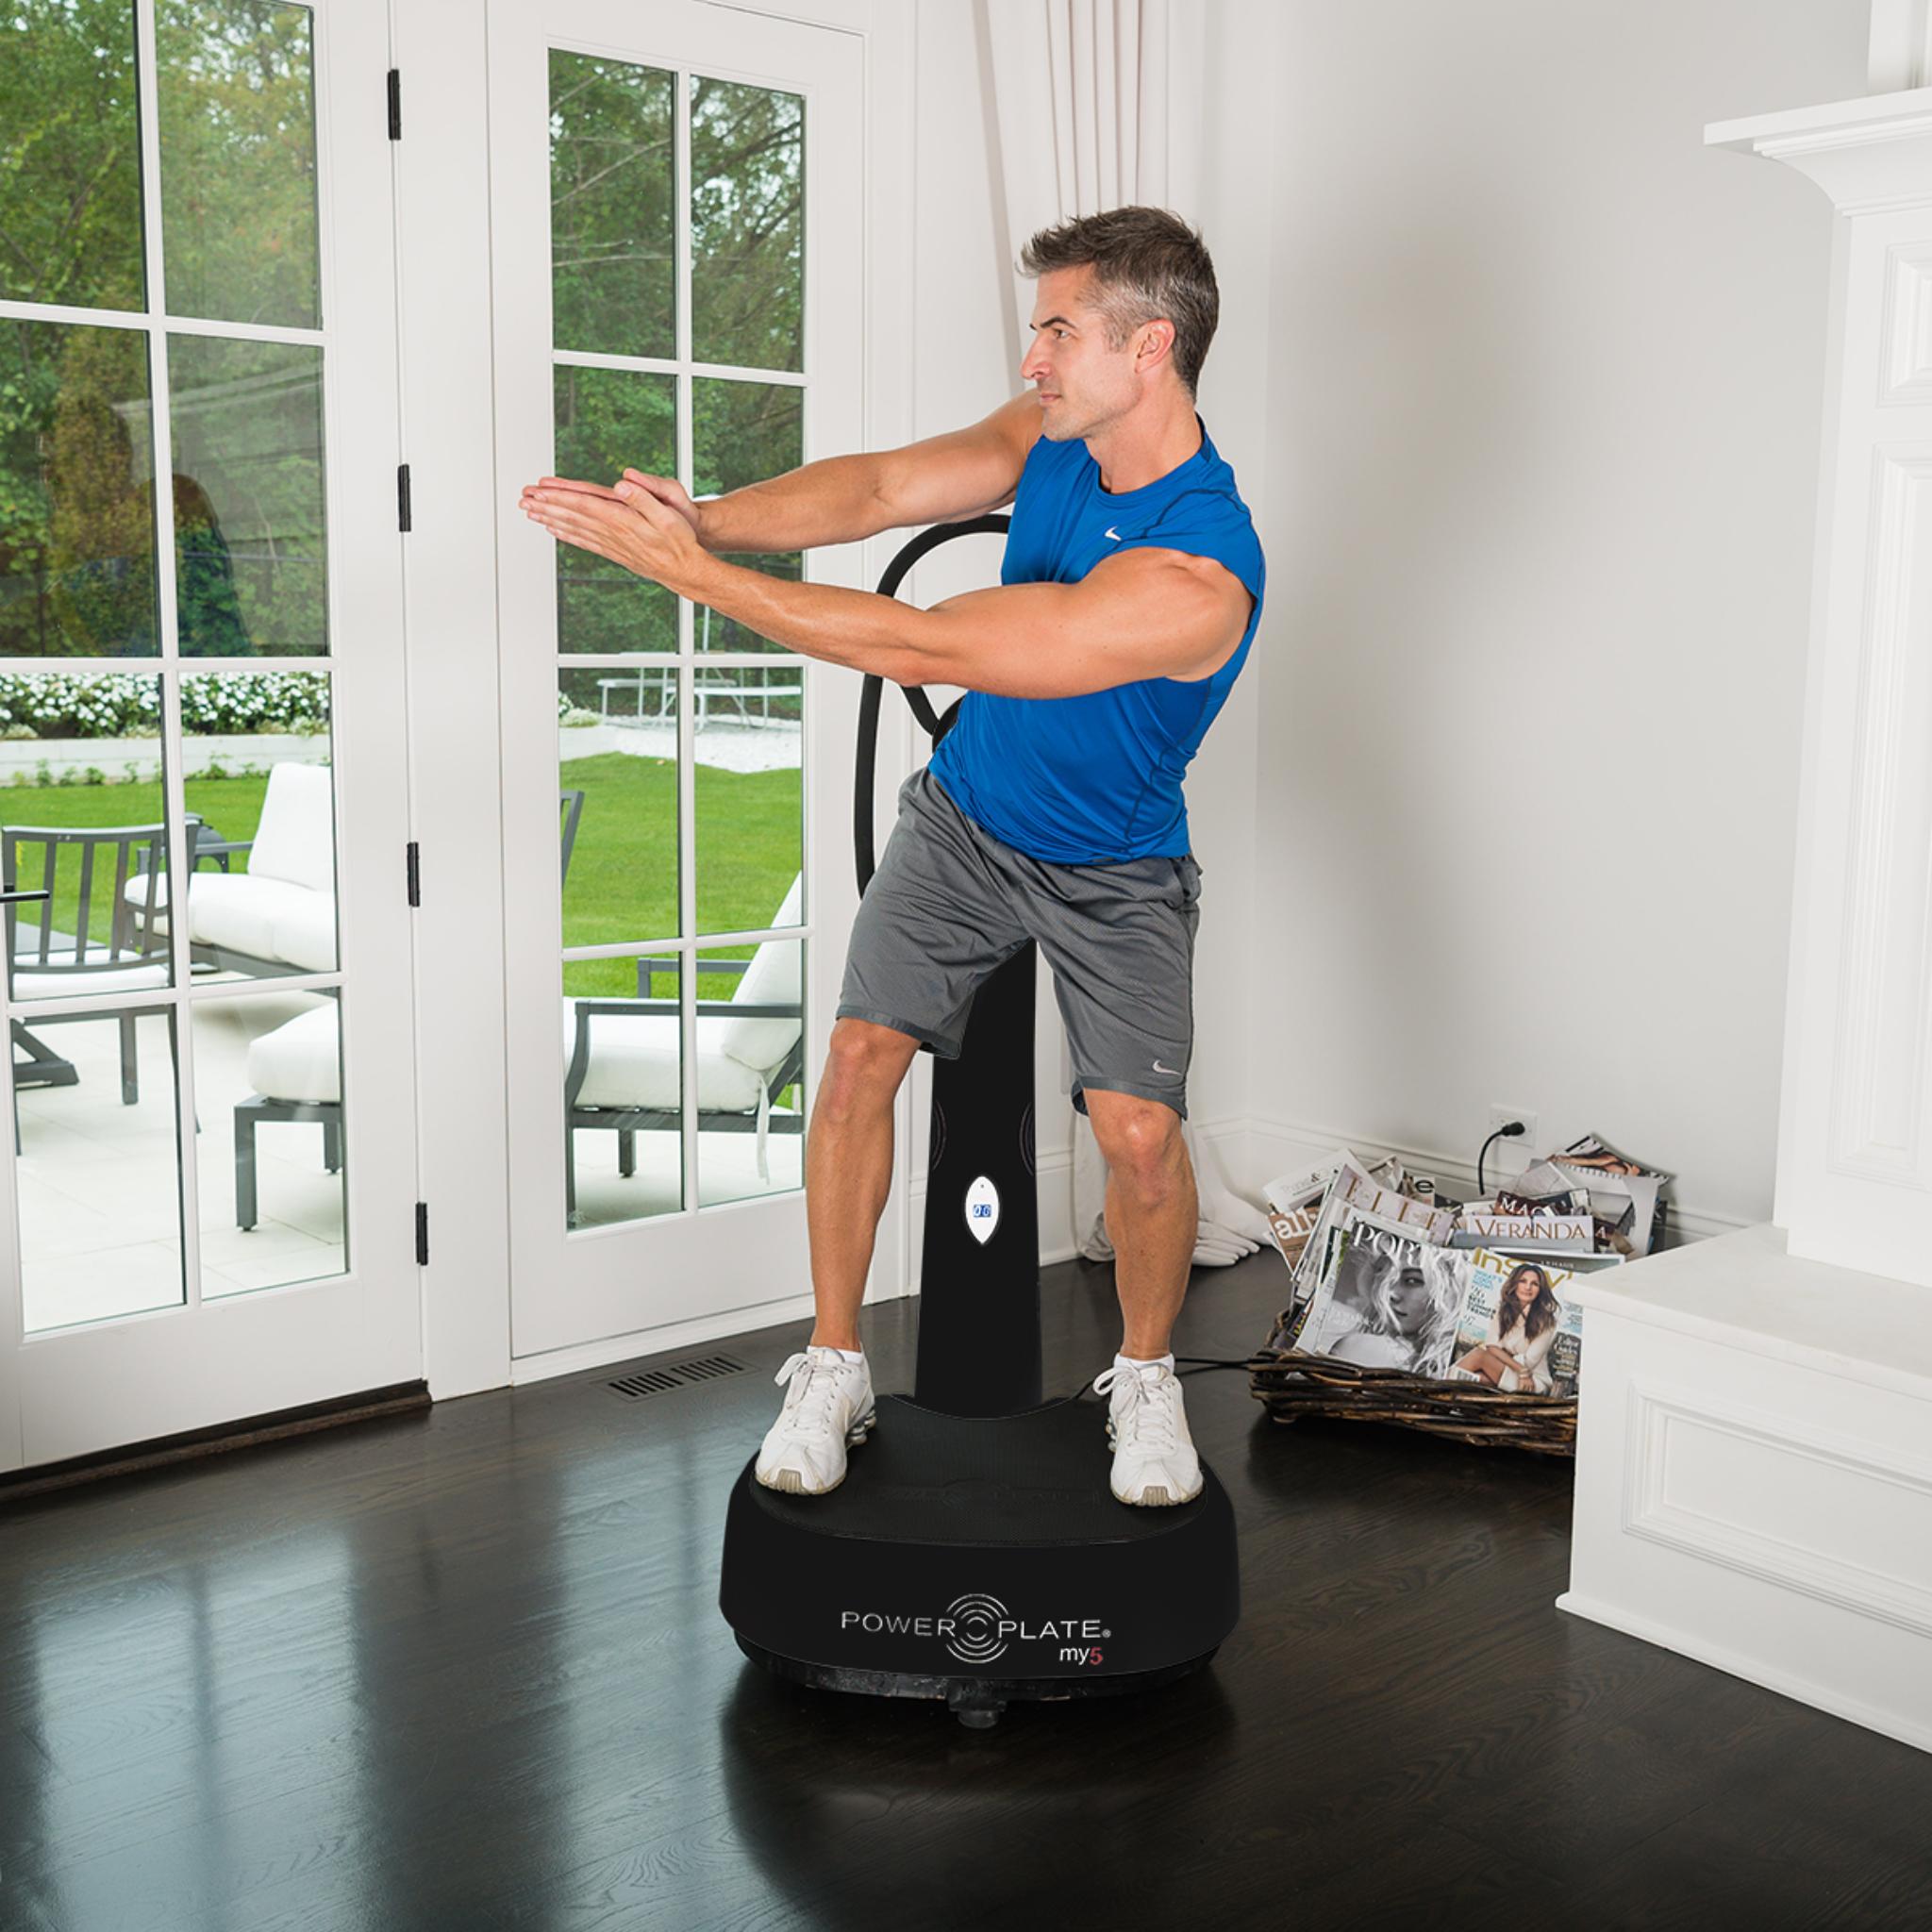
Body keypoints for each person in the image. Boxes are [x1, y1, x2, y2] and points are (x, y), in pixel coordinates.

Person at [519, 206, 1266, 1507]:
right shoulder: (1051, 435)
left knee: (1139, 1139)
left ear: (1151, 348)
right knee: (860, 1056)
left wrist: (690, 581)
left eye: (1058, 331)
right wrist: (706, 520)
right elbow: (871, 491)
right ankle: (833, 1361)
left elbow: (926, 647)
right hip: (967, 821)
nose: (1032, 359)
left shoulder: (1199, 570)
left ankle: (1145, 1382)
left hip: (1115, 868)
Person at [1453, 1263, 1561, 1393]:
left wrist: (1517, 1367)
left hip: (1531, 1380)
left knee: (1478, 1355)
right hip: (1514, 1371)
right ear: (1515, 1284)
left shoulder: (1546, 1321)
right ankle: (1443, 1399)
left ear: (1540, 1290)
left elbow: (1529, 1362)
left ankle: (1437, 1390)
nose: (1528, 1287)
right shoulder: (1502, 1309)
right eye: (1523, 1281)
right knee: (1478, 1378)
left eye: (1534, 1284)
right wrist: (1509, 1359)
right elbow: (1492, 1346)